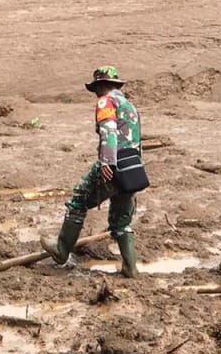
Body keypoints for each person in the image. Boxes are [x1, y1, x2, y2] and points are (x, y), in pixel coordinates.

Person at [41, 67, 144, 277]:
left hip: (114, 162)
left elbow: (108, 130)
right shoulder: (129, 105)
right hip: (132, 166)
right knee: (122, 219)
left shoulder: (106, 102)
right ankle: (130, 267)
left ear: (100, 85)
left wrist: (107, 162)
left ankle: (61, 249)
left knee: (79, 198)